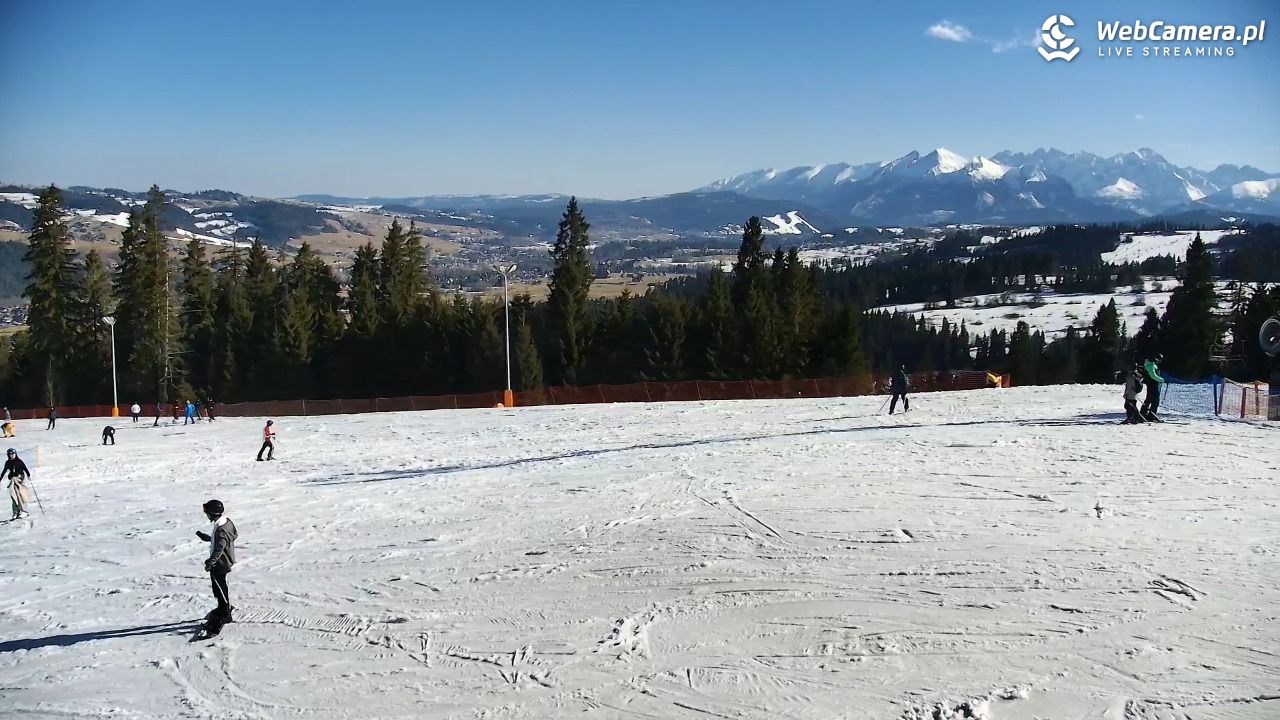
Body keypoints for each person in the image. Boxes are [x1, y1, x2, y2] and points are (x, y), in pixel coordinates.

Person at [195, 499, 238, 632]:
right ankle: (222, 607)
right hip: (224, 560)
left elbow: (219, 548)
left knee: (219, 587)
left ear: (212, 513)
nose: (206, 514)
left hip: (221, 563)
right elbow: (229, 537)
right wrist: (209, 538)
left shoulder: (221, 530)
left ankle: (225, 613)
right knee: (219, 586)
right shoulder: (226, 522)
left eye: (206, 512)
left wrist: (210, 562)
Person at [4, 448, 32, 520]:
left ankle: (23, 511)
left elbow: (25, 468)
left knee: (20, 494)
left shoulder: (19, 461)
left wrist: (28, 475)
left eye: (13, 454)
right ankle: (16, 512)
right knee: (13, 495)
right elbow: (4, 471)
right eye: (10, 454)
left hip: (19, 479)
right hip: (13, 480)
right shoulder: (8, 463)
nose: (12, 456)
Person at [1140, 353, 1164, 422]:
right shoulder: (1151, 366)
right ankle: (1151, 416)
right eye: (1159, 359)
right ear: (1156, 359)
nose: (1160, 361)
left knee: (1149, 399)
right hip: (1153, 385)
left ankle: (1144, 414)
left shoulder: (1150, 364)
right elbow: (1153, 376)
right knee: (1155, 400)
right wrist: (1162, 380)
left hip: (1151, 384)